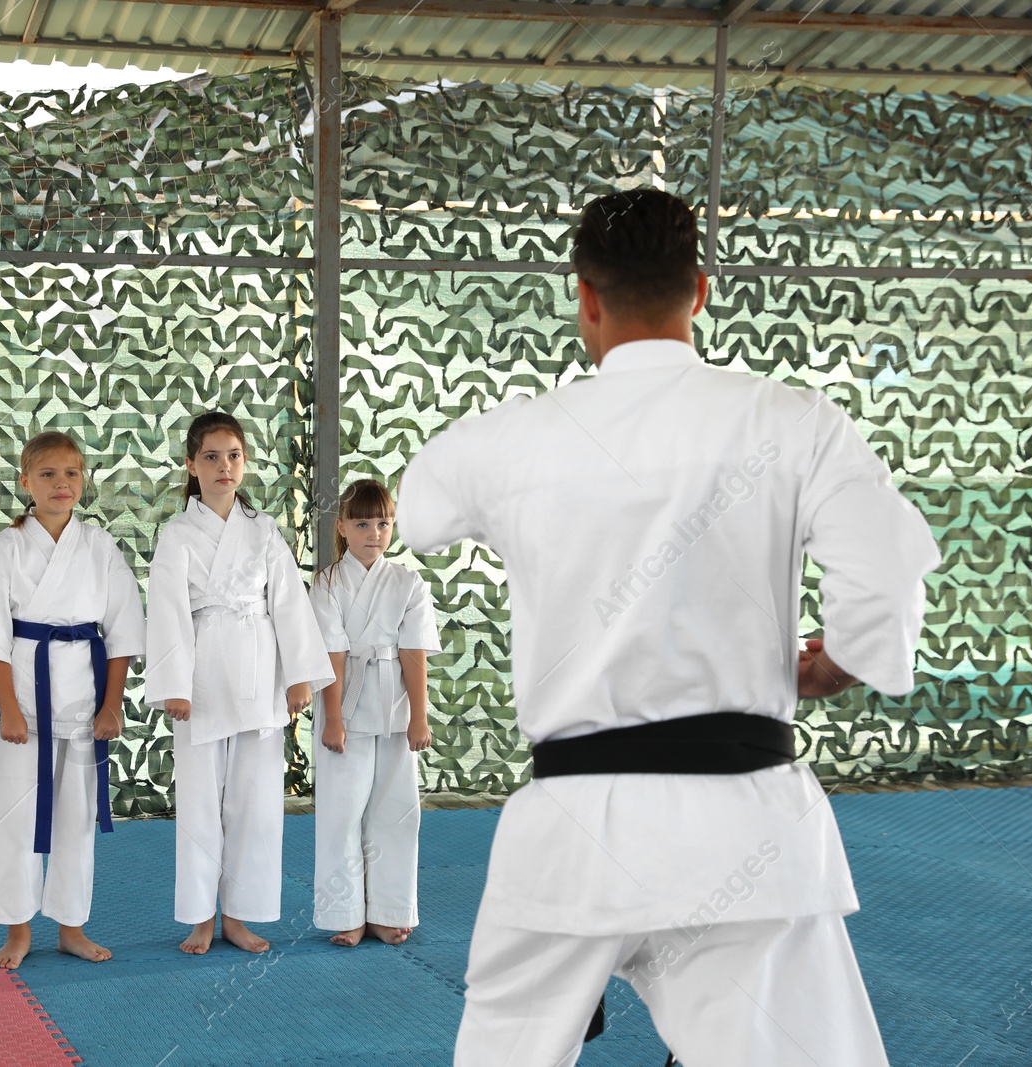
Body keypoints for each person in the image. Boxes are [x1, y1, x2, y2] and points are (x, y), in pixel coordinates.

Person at [397, 189, 940, 1066]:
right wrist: (837, 661)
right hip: (744, 829)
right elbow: (882, 579)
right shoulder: (791, 419)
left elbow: (417, 512)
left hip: (570, 839)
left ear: (585, 296)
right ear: (700, 289)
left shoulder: (517, 439)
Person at [145, 411, 334, 955]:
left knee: (256, 803)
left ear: (244, 461)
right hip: (202, 671)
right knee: (202, 800)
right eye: (211, 456)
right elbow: (168, 611)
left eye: (234, 455)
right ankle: (200, 916)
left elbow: (289, 604)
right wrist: (173, 684)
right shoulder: (178, 534)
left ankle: (238, 915)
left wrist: (299, 675)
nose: (224, 466)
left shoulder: (264, 530)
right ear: (191, 464)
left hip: (259, 665)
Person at [0, 431, 144, 969]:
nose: (60, 484)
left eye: (71, 474)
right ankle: (18, 930)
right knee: (16, 817)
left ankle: (71, 925)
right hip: (22, 694)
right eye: (47, 474)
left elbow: (123, 631)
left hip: (84, 700)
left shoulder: (99, 546)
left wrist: (112, 705)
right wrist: (9, 707)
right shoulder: (5, 547)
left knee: (76, 817)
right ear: (25, 482)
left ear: (83, 480)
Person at [309, 478, 440, 947]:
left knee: (397, 811)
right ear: (341, 527)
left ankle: (388, 909)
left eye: (383, 523)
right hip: (342, 707)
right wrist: (334, 719)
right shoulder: (326, 583)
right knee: (341, 812)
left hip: (395, 707)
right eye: (362, 523)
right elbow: (331, 653)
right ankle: (345, 912)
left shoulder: (408, 581)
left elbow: (414, 650)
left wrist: (419, 717)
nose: (374, 533)